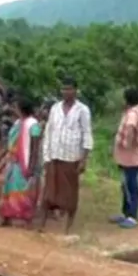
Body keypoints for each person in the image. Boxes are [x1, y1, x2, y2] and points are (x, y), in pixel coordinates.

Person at [39, 77, 93, 234]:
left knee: (69, 193)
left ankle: (68, 226)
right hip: (54, 155)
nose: (66, 92)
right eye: (63, 89)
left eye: (69, 89)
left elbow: (86, 134)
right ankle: (42, 225)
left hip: (71, 157)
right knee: (49, 193)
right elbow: (49, 131)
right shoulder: (55, 108)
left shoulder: (82, 110)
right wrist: (46, 156)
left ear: (76, 91)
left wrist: (84, 159)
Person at [0, 96, 43, 227]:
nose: (13, 110)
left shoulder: (33, 125)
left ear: (22, 109)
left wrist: (31, 167)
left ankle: (27, 219)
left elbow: (35, 149)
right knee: (8, 189)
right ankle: (7, 217)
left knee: (23, 191)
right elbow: (10, 143)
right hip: (12, 162)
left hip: (24, 164)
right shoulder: (18, 123)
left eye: (16, 108)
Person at [110, 88, 138, 229]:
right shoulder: (134, 112)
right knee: (125, 185)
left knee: (131, 186)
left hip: (131, 157)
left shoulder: (132, 114)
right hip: (127, 157)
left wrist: (125, 143)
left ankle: (132, 216)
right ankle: (126, 213)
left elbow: (130, 128)